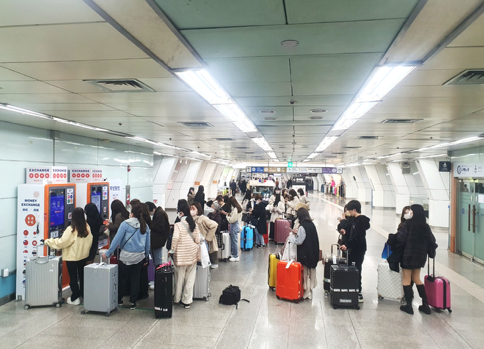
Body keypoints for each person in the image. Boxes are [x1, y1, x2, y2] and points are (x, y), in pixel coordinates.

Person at [103, 204, 150, 310]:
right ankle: (133, 302)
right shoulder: (145, 225)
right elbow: (147, 244)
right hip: (139, 257)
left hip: (125, 256)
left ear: (132, 214)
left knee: (122, 279)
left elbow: (116, 240)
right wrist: (146, 256)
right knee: (135, 279)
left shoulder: (125, 224)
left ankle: (119, 299)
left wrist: (108, 253)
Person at [45, 207, 92, 305]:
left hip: (72, 258)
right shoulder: (87, 227)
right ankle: (84, 295)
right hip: (83, 256)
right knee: (82, 277)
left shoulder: (71, 229)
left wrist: (48, 241)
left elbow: (62, 243)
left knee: (73, 278)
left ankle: (75, 297)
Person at [396, 204, 438, 315]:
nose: (410, 213)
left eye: (411, 211)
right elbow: (432, 241)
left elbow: (400, 238)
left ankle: (408, 305)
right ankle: (425, 305)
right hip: (420, 257)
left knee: (406, 279)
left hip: (408, 255)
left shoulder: (408, 224)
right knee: (417, 278)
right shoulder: (425, 226)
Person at [170, 204, 200, 309]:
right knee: (190, 278)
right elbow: (198, 239)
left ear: (181, 213)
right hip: (192, 254)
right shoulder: (193, 224)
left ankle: (177, 298)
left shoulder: (178, 225)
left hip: (181, 255)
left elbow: (175, 238)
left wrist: (172, 250)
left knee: (179, 278)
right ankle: (186, 301)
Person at [340, 200, 370, 303]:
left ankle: (358, 292)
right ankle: (353, 289)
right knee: (354, 269)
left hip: (358, 250)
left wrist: (347, 245)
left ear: (354, 209)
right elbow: (354, 233)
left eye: (349, 210)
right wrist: (346, 232)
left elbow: (358, 238)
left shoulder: (360, 221)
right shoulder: (356, 220)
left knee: (356, 270)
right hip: (355, 249)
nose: (348, 212)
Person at [289, 208, 319, 300]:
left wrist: (291, 239)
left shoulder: (302, 226)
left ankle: (307, 292)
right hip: (313, 252)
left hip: (305, 254)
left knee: (305, 274)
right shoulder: (311, 224)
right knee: (311, 273)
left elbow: (299, 241)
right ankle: (310, 291)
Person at [221, 197, 242, 261]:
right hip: (236, 225)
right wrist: (228, 214)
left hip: (234, 225)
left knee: (234, 241)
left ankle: (236, 256)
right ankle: (234, 254)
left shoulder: (235, 209)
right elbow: (233, 216)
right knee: (233, 240)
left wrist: (227, 217)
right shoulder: (237, 208)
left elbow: (232, 220)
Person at [207, 201, 222, 268]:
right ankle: (210, 261)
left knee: (214, 248)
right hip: (209, 233)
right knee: (209, 248)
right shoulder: (209, 215)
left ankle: (215, 262)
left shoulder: (218, 216)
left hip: (215, 233)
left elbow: (217, 226)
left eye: (212, 207)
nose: (211, 208)